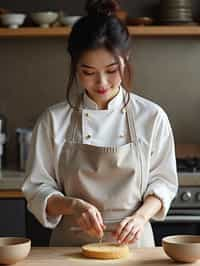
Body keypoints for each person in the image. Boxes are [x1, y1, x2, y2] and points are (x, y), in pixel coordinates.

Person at [22, 0, 178, 247]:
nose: (102, 82)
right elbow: (37, 189)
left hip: (134, 246)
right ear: (75, 67)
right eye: (88, 72)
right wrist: (72, 205)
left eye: (111, 69)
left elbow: (164, 183)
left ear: (126, 58)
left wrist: (140, 217)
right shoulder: (53, 120)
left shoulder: (152, 117)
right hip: (69, 246)